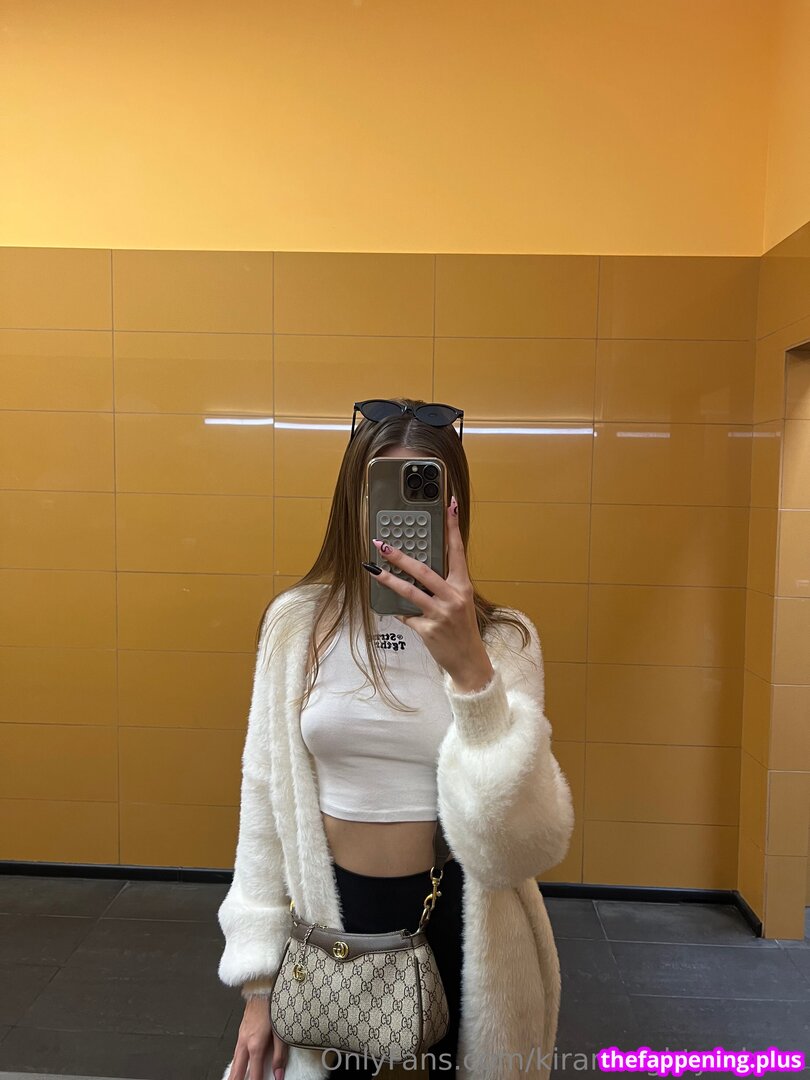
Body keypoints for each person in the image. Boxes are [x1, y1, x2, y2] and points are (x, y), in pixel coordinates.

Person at [218, 396, 575, 1080]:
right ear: (353, 503)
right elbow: (263, 805)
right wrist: (258, 987)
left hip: (464, 926)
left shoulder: (504, 641)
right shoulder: (296, 626)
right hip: (329, 923)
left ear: (453, 509)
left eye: (425, 492)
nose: (400, 520)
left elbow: (519, 850)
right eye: (383, 492)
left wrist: (472, 674)